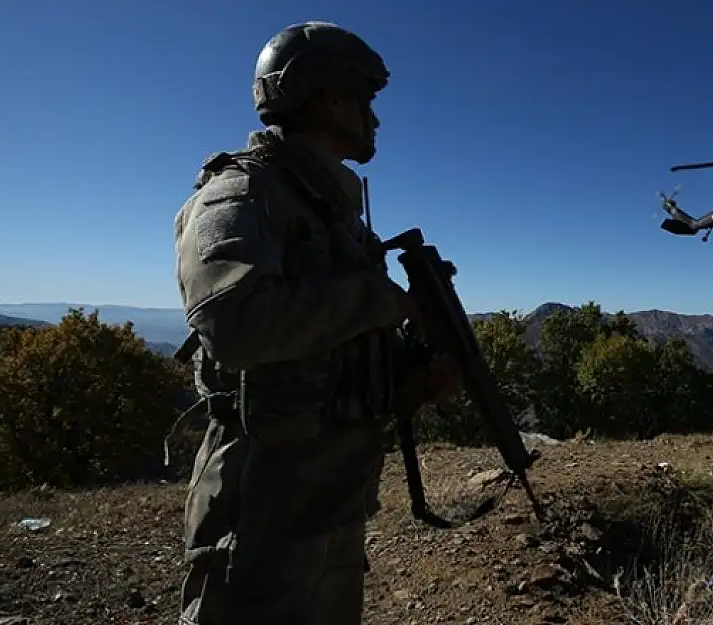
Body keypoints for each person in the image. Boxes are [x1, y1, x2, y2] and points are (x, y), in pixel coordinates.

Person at [171, 21, 461, 624]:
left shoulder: (334, 215)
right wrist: (380, 300)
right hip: (262, 506)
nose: (375, 120)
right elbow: (235, 325)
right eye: (366, 100)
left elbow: (332, 360)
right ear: (330, 97)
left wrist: (413, 380)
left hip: (332, 501)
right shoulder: (239, 194)